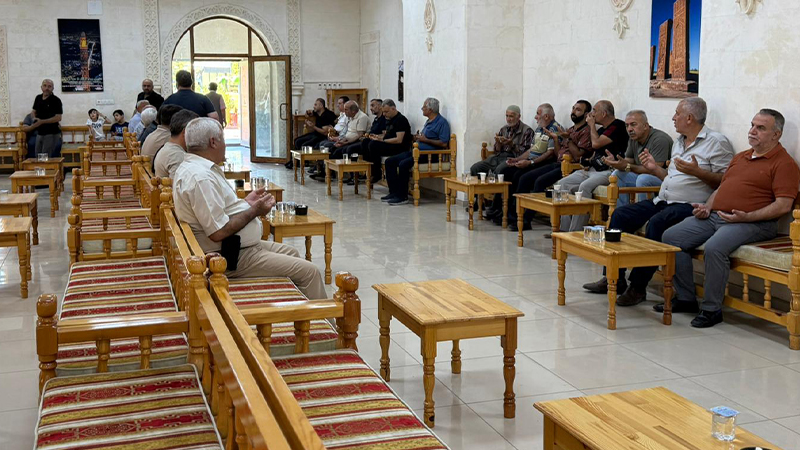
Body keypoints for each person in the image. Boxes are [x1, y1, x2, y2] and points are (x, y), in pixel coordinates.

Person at [582, 97, 735, 305]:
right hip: (663, 199)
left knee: (657, 223)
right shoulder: (680, 141)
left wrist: (698, 172)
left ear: (689, 118)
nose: (673, 118)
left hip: (690, 205)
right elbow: (670, 178)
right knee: (621, 215)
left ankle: (638, 287)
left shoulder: (716, 142)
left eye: (677, 113)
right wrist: (655, 169)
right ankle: (613, 278)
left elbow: (726, 181)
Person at [660, 109, 799, 328]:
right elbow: (723, 187)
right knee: (671, 237)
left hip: (754, 223)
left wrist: (748, 216)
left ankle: (711, 309)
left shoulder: (784, 164)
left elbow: (783, 205)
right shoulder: (741, 157)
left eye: (760, 128)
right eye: (752, 125)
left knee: (715, 248)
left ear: (776, 134)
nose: (752, 131)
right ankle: (686, 298)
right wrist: (707, 206)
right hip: (716, 216)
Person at [173, 118, 326, 299]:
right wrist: (255, 211)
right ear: (213, 142)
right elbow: (218, 232)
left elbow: (220, 211)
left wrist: (247, 202)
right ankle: (322, 324)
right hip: (227, 256)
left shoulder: (199, 168)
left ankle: (296, 307)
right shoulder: (200, 177)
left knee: (292, 252)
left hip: (237, 246)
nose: (225, 145)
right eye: (223, 139)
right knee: (311, 272)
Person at [508, 100, 594, 231]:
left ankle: (526, 219)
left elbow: (578, 156)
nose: (573, 112)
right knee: (524, 177)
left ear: (586, 114)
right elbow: (558, 152)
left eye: (578, 110)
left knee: (540, 181)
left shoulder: (586, 131)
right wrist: (555, 139)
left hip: (570, 167)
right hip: (558, 163)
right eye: (573, 108)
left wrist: (567, 138)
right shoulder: (570, 130)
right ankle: (515, 215)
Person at [555, 100, 628, 231]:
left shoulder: (618, 126)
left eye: (594, 110)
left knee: (584, 187)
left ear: (604, 113)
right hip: (592, 169)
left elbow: (596, 144)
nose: (591, 114)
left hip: (609, 170)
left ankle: (575, 232)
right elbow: (595, 153)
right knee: (562, 184)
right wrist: (587, 161)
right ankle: (563, 230)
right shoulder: (601, 130)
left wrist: (592, 126)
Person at [488, 103, 559, 224]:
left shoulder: (554, 129)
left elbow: (550, 154)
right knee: (507, 172)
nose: (535, 117)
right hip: (531, 160)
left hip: (544, 162)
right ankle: (500, 210)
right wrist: (517, 160)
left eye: (538, 114)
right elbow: (530, 150)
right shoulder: (539, 129)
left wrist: (530, 162)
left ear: (546, 116)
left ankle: (517, 215)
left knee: (522, 177)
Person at [382, 98, 451, 205]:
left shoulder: (442, 123)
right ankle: (394, 192)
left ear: (430, 109)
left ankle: (402, 196)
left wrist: (425, 140)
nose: (422, 109)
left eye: (424, 107)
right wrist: (417, 137)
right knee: (390, 161)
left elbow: (444, 143)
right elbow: (425, 137)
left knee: (403, 164)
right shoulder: (429, 121)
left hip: (429, 155)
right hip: (417, 151)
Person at [602, 110, 673, 205]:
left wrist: (627, 166)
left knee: (643, 179)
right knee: (617, 174)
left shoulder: (660, 139)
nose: (629, 129)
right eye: (627, 126)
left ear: (645, 126)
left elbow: (654, 170)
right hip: (642, 175)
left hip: (664, 179)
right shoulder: (634, 138)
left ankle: (642, 215)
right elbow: (628, 161)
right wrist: (616, 162)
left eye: (633, 124)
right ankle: (622, 212)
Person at [309, 100, 370, 181]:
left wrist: (345, 143)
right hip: (347, 140)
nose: (344, 112)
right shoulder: (350, 117)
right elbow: (346, 132)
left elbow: (359, 135)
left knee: (346, 149)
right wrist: (340, 140)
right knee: (332, 149)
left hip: (358, 141)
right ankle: (326, 173)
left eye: (346, 110)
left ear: (353, 111)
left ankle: (354, 177)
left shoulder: (362, 117)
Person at [470, 106, 533, 177]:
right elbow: (497, 151)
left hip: (513, 159)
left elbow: (525, 154)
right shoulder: (504, 129)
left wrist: (512, 144)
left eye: (511, 116)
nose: (508, 119)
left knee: (499, 171)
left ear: (518, 117)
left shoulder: (527, 131)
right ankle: (480, 188)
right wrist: (498, 143)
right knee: (475, 168)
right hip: (498, 157)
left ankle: (494, 187)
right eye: (507, 116)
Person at [364, 99, 412, 183]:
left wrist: (383, 140)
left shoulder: (400, 120)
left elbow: (399, 140)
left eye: (386, 112)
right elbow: (388, 134)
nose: (384, 114)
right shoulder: (389, 119)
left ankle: (376, 173)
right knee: (367, 142)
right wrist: (378, 137)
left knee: (373, 145)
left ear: (393, 109)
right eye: (383, 112)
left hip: (399, 147)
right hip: (391, 144)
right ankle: (370, 171)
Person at [154, 109, 198, 179]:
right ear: (185, 132)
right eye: (196, 131)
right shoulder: (177, 156)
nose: (198, 136)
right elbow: (180, 188)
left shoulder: (169, 148)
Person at [30, 79, 63, 157]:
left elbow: (58, 118)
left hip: (51, 133)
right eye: (45, 86)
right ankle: (39, 169)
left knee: (46, 156)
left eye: (49, 86)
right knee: (38, 156)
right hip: (40, 132)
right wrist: (34, 119)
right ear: (41, 87)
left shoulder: (56, 100)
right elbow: (33, 111)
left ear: (52, 88)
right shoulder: (38, 98)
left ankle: (48, 169)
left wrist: (42, 121)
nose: (47, 88)